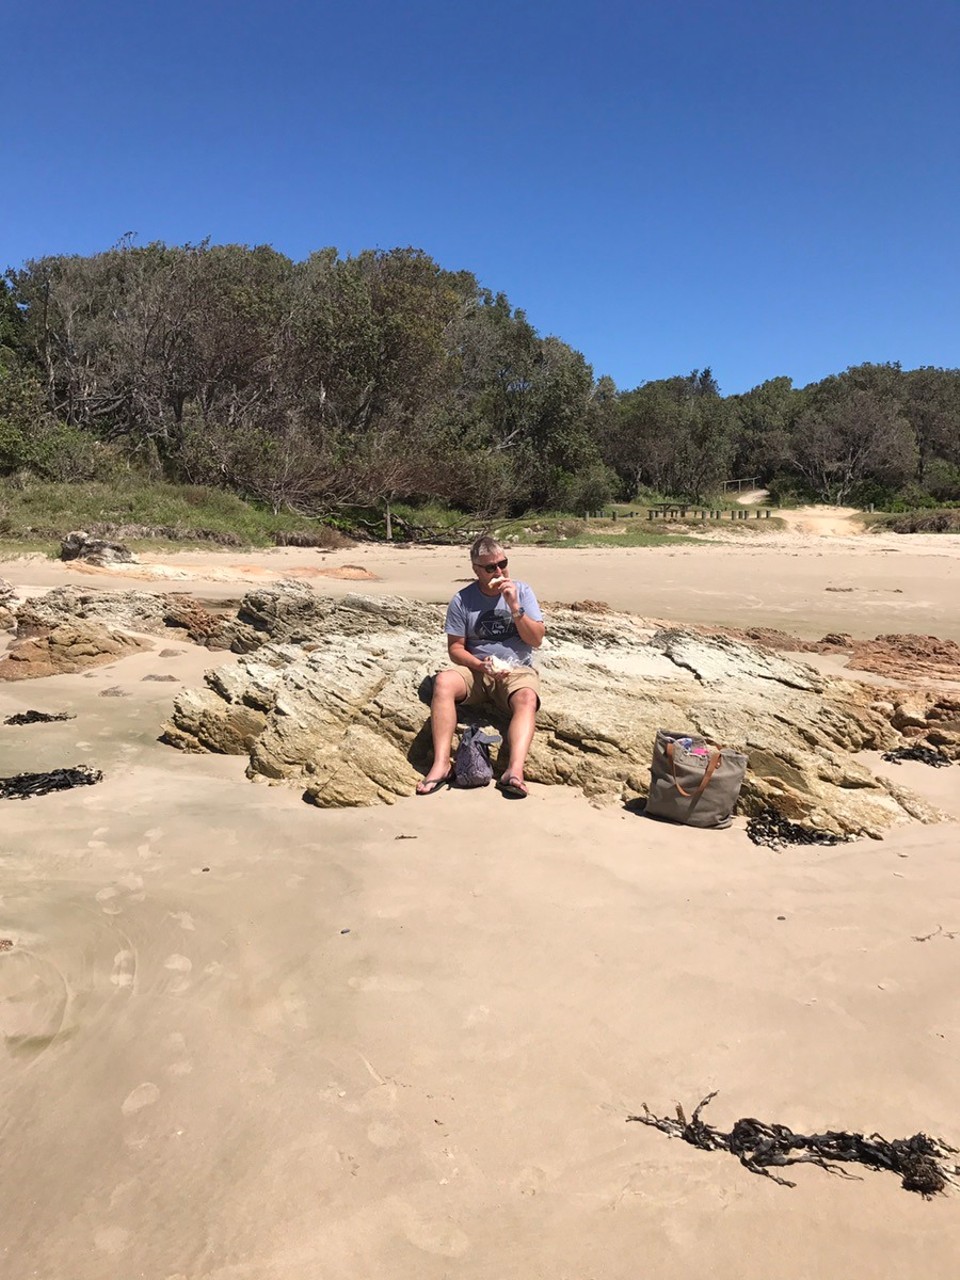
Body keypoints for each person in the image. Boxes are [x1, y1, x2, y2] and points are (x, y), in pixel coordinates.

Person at [416, 536, 546, 798]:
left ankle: (514, 772)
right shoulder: (463, 600)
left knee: (527, 698)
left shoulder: (522, 591)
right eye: (490, 568)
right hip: (477, 670)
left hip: (517, 668)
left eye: (503, 564)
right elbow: (455, 649)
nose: (499, 572)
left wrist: (514, 607)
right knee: (442, 683)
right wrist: (479, 664)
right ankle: (441, 764)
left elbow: (536, 639)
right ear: (476, 570)